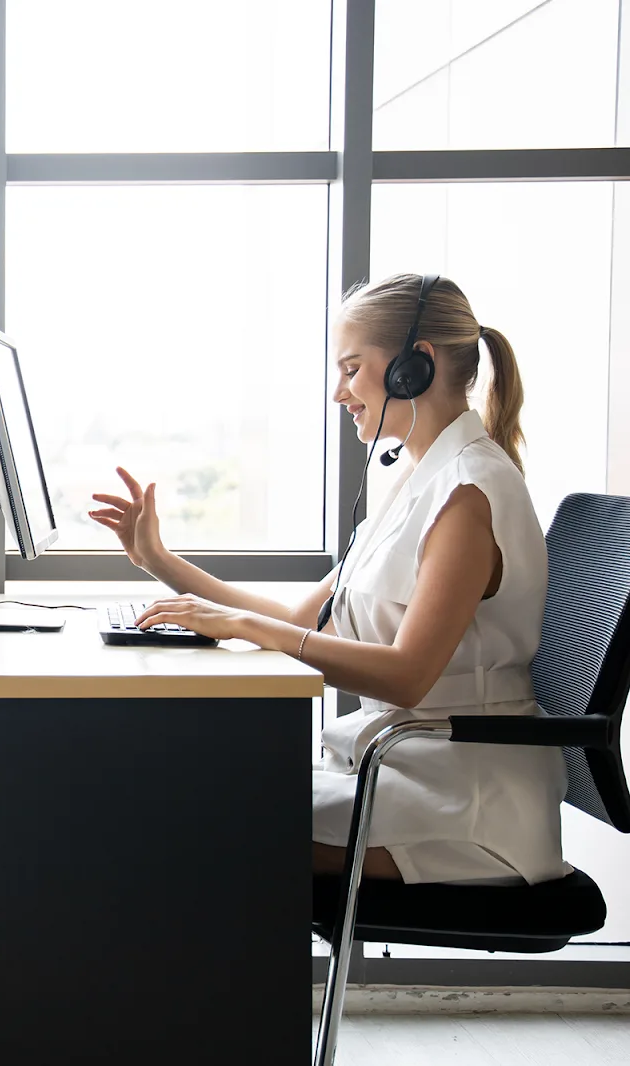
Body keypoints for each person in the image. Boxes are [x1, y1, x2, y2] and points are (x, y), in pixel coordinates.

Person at [89, 273, 567, 886]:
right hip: (409, 772)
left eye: (351, 369)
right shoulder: (420, 484)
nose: (339, 393)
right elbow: (301, 622)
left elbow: (407, 674)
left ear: (413, 367)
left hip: (466, 808)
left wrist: (246, 627)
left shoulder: (468, 493)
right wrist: (160, 562)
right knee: (179, 790)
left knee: (187, 816)